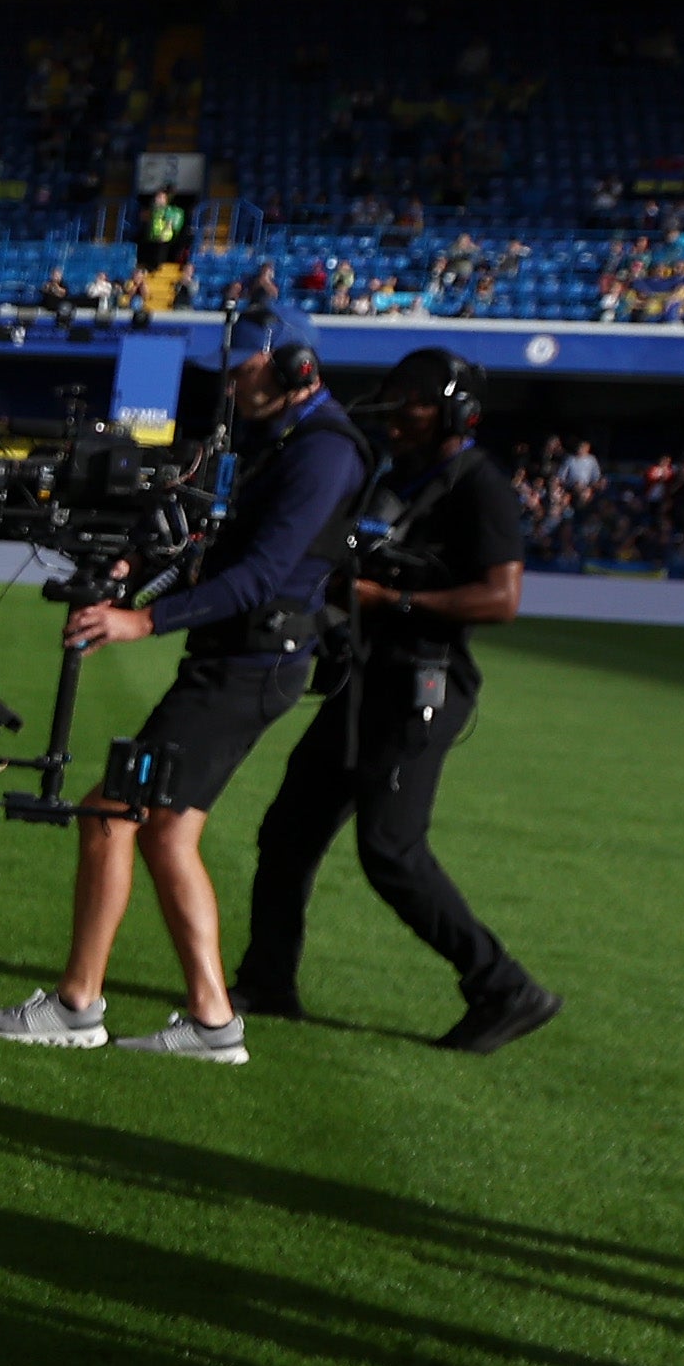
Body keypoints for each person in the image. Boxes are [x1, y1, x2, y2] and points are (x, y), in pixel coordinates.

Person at [0, 339, 369, 1066]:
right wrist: (141, 577)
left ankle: (75, 1004)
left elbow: (258, 578)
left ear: (292, 369)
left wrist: (142, 619)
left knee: (108, 810)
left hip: (245, 671)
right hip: (244, 663)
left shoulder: (322, 452)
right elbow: (222, 555)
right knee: (164, 833)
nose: (235, 380)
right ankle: (213, 1020)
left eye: (248, 366)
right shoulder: (294, 441)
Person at [234, 349, 559, 1055]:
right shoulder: (393, 475)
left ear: (452, 412)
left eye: (410, 399)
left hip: (423, 683)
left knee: (390, 848)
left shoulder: (480, 486)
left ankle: (504, 987)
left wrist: (396, 599)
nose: (394, 409)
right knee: (289, 829)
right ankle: (265, 982)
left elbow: (502, 599)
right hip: (365, 675)